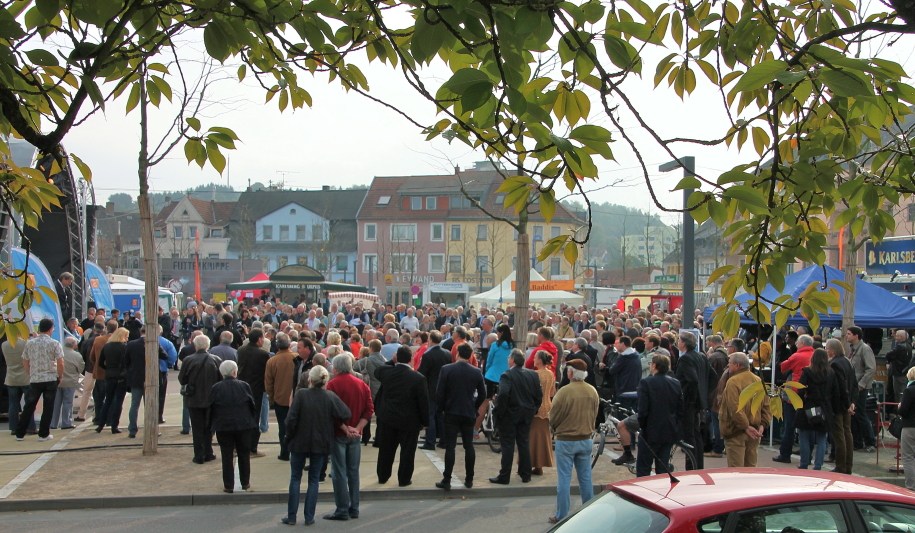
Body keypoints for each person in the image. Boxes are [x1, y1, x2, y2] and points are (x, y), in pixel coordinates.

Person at [281, 366, 351, 526]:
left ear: (310, 380)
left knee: (295, 477)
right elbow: (346, 413)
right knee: (313, 479)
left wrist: (288, 436)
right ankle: (309, 516)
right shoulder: (329, 396)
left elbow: (291, 419)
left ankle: (291, 516)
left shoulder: (301, 394)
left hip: (299, 441)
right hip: (320, 442)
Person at [548, 358, 599, 523]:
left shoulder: (564, 391)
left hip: (566, 439)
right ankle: (589, 510)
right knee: (586, 477)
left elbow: (553, 415)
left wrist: (554, 428)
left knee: (564, 478)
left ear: (570, 373)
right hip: (586, 438)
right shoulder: (592, 390)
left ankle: (562, 514)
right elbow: (595, 413)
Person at [324, 354, 374, 521]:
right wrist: (357, 428)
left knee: (339, 472)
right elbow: (369, 409)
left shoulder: (332, 385)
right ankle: (354, 507)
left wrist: (345, 428)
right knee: (353, 471)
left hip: (339, 432)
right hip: (355, 433)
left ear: (336, 368)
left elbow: (331, 411)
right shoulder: (361, 384)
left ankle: (342, 509)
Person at [374, 345, 429, 486]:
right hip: (409, 420)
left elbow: (377, 371)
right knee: (407, 452)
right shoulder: (418, 378)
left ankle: (383, 476)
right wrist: (425, 421)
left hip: (388, 418)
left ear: (396, 358)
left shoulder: (387, 372)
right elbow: (423, 402)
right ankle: (404, 479)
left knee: (386, 450)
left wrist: (391, 361)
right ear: (411, 359)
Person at [434, 342, 486, 490]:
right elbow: (482, 394)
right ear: (470, 356)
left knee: (450, 446)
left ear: (457, 354)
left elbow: (439, 392)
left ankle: (447, 479)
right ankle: (469, 479)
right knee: (468, 445)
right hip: (468, 412)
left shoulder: (447, 369)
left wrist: (441, 408)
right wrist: (474, 406)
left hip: (451, 411)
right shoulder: (476, 372)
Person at [490, 348, 542, 485]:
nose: (508, 360)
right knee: (523, 443)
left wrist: (499, 411)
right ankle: (526, 474)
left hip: (510, 415)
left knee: (508, 445)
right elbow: (538, 395)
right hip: (526, 414)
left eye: (509, 358)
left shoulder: (507, 375)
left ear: (512, 360)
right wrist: (533, 409)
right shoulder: (532, 374)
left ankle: (504, 475)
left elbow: (503, 394)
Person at [209, 360, 258, 493]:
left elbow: (211, 408)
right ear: (235, 372)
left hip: (223, 425)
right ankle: (245, 482)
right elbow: (252, 405)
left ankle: (228, 485)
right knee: (244, 454)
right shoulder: (244, 386)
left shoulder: (216, 388)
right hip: (243, 424)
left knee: (226, 455)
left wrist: (211, 428)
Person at [15, 319, 65, 441]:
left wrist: (31, 372)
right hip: (50, 378)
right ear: (50, 329)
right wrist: (60, 376)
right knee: (48, 407)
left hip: (35, 378)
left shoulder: (30, 343)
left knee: (29, 406)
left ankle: (20, 433)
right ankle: (43, 434)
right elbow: (60, 362)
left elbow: (25, 361)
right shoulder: (55, 343)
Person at [718, 352, 771, 467]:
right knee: (751, 468)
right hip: (755, 430)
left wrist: (746, 426)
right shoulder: (758, 380)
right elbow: (766, 406)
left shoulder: (733, 381)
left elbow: (734, 407)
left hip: (736, 431)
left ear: (737, 365)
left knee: (736, 469)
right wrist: (763, 424)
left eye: (730, 363)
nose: (728, 365)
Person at [636, 354, 683, 477]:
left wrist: (642, 426)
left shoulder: (646, 382)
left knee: (643, 468)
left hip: (650, 430)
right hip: (669, 429)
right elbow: (680, 409)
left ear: (654, 366)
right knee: (663, 467)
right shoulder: (675, 383)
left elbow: (642, 409)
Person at [674, 330, 716, 470]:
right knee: (696, 433)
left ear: (684, 343)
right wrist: (704, 393)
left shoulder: (686, 358)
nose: (678, 343)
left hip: (689, 401)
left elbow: (692, 379)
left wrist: (692, 397)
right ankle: (698, 465)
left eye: (679, 341)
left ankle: (691, 467)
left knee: (689, 435)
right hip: (698, 400)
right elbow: (713, 376)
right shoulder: (701, 356)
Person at [178, 335, 222, 464]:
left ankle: (199, 455)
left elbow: (182, 379)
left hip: (194, 398)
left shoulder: (188, 360)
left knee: (197, 428)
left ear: (195, 345)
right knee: (209, 428)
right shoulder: (216, 360)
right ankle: (208, 452)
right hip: (211, 399)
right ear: (208, 345)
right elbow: (221, 380)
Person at [795, 348, 840, 470]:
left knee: (804, 436)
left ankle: (804, 463)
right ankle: (818, 465)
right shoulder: (831, 373)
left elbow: (800, 390)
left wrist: (801, 404)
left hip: (809, 405)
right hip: (825, 407)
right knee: (822, 438)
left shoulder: (807, 372)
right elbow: (836, 392)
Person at [123, 326, 167, 438]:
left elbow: (126, 361)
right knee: (150, 405)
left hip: (136, 378)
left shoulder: (131, 344)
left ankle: (132, 430)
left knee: (134, 404)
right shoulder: (154, 343)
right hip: (151, 378)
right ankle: (152, 428)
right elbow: (165, 356)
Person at [237, 328, 270, 457]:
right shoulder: (263, 354)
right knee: (254, 418)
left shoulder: (241, 351)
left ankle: (237, 446)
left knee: (241, 417)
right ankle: (252, 448)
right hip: (256, 389)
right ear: (259, 339)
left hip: (241, 388)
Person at [265, 333, 297, 461]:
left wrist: (271, 398)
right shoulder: (296, 358)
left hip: (280, 398)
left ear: (277, 346)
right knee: (297, 426)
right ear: (289, 345)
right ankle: (297, 452)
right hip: (296, 398)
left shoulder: (272, 361)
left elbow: (268, 383)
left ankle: (284, 452)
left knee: (282, 427)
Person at [826, 338, 855, 474]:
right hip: (847, 403)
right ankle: (848, 465)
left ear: (832, 350)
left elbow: (841, 386)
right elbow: (854, 383)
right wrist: (852, 402)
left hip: (838, 404)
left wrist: (847, 403)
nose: (826, 351)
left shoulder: (835, 364)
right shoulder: (847, 362)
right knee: (847, 433)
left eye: (827, 348)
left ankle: (841, 466)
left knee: (839, 435)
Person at [418, 330, 451, 451]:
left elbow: (422, 374)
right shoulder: (447, 353)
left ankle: (430, 442)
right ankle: (443, 441)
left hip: (431, 388)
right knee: (441, 415)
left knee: (430, 416)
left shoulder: (427, 355)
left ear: (430, 340)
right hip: (444, 388)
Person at [95, 327, 131, 434]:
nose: (127, 339)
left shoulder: (107, 346)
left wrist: (108, 369)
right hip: (121, 377)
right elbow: (127, 362)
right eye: (127, 337)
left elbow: (100, 362)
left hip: (109, 375)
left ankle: (100, 424)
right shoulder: (125, 347)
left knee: (108, 400)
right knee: (118, 402)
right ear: (123, 336)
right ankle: (114, 426)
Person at [847, 326, 877, 452]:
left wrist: (861, 384)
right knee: (854, 414)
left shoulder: (865, 349)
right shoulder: (852, 349)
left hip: (860, 387)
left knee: (860, 413)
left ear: (856, 336)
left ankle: (870, 442)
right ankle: (857, 442)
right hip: (853, 386)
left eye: (849, 334)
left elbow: (871, 368)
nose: (846, 336)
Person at [4, 334, 37, 434]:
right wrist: (34, 337)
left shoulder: (4, 344)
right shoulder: (25, 343)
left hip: (11, 378)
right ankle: (30, 427)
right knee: (29, 404)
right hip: (25, 377)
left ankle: (13, 427)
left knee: (13, 404)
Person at [530, 350, 556, 477]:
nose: (533, 359)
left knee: (532, 437)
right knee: (544, 437)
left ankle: (530, 463)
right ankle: (539, 465)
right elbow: (552, 392)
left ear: (539, 360)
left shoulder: (535, 374)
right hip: (547, 406)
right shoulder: (550, 373)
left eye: (535, 357)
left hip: (536, 408)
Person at [48, 337, 83, 430]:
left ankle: (53, 423)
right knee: (68, 403)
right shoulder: (77, 355)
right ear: (74, 345)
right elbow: (81, 368)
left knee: (56, 403)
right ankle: (66, 422)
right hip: (70, 381)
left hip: (56, 381)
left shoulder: (56, 352)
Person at [897, 366, 915, 489]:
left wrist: (899, 407)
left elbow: (903, 410)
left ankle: (911, 486)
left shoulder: (909, 390)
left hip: (910, 426)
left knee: (908, 457)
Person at [886, 330, 911, 403]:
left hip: (898, 372)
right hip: (903, 372)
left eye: (897, 336)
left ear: (902, 337)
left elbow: (888, 354)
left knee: (899, 393)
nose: (895, 337)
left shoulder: (900, 347)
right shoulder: (908, 345)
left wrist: (890, 360)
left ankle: (899, 408)